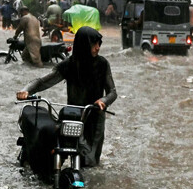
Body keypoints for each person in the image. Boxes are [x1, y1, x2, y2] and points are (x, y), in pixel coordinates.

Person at [16, 27, 117, 167]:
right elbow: (42, 81)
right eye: (94, 44)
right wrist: (25, 90)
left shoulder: (103, 64)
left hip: (95, 117)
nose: (97, 48)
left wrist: (104, 101)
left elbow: (112, 92)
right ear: (84, 44)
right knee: (60, 148)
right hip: (74, 116)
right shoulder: (69, 64)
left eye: (99, 44)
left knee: (91, 162)